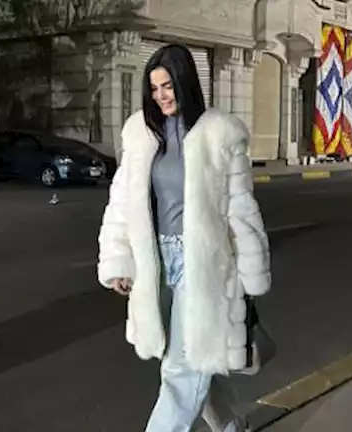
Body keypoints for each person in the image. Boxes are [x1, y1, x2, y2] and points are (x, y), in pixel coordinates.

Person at [96, 43, 272, 432]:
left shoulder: (220, 133)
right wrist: (118, 260)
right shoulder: (140, 134)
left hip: (203, 264)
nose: (161, 96)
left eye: (168, 86)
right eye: (155, 88)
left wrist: (250, 274)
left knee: (182, 369)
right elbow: (122, 202)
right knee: (191, 357)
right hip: (157, 263)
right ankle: (230, 427)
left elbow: (240, 209)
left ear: (185, 83)